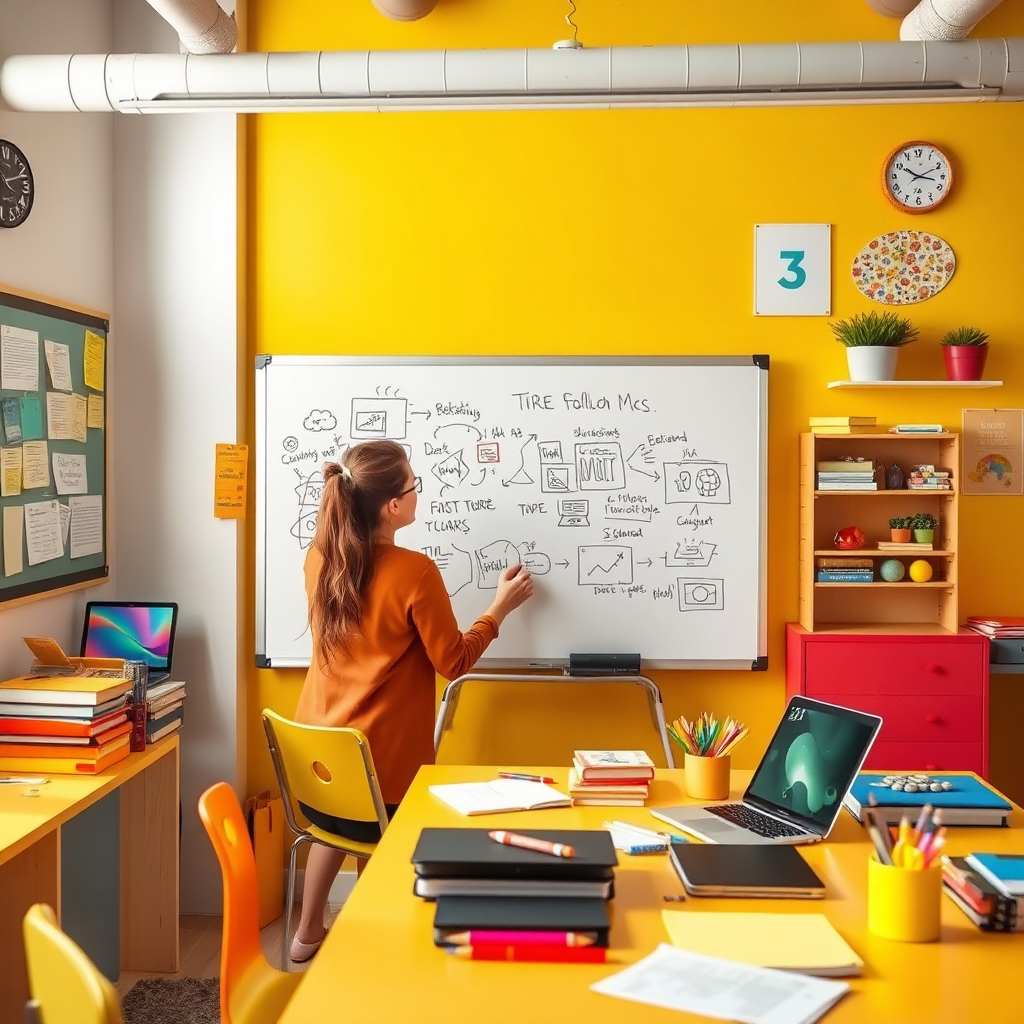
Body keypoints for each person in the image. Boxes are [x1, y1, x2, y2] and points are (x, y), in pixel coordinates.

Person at [289, 439, 534, 961]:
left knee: (336, 827)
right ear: (393, 507)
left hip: (321, 769)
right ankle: (373, 943)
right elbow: (454, 662)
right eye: (413, 486)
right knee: (378, 826)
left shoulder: (319, 558)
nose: (418, 492)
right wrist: (499, 608)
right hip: (384, 775)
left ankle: (307, 933)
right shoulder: (414, 571)